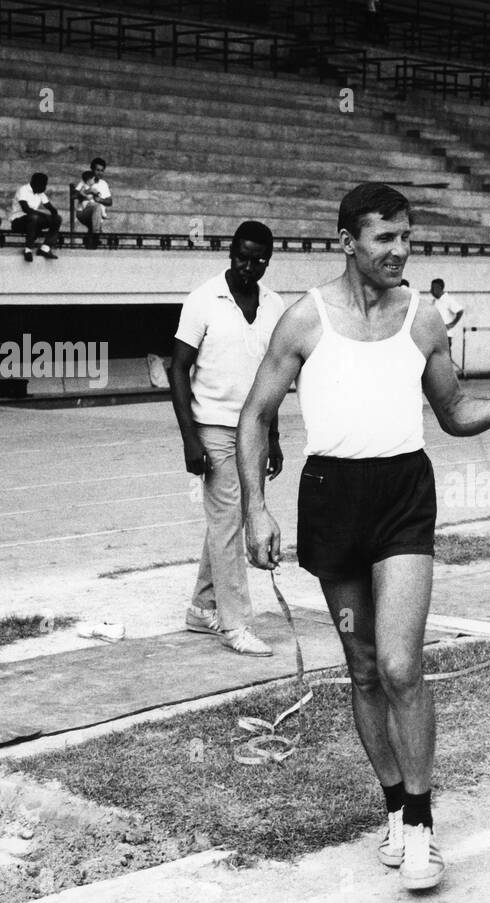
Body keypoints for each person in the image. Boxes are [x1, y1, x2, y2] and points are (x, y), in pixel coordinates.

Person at [237, 182, 490, 893]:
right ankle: (393, 807)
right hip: (331, 501)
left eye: (407, 237)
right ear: (346, 241)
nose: (400, 251)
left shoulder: (424, 317)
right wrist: (256, 508)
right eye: (385, 239)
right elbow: (254, 416)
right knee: (365, 665)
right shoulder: (304, 319)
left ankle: (422, 822)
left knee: (403, 663)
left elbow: (455, 411)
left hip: (404, 496)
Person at [171, 220, 287, 658]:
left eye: (258, 260)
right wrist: (189, 438)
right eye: (242, 256)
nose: (248, 266)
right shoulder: (203, 300)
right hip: (213, 428)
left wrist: (273, 437)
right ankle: (236, 624)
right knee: (228, 521)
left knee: (231, 518)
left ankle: (203, 608)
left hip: (253, 430)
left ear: (268, 261)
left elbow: (272, 378)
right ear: (230, 252)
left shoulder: (275, 306)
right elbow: (177, 369)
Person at [10, 172, 61, 261]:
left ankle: (45, 248)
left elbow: (50, 208)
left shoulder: (40, 192)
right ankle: (28, 250)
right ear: (34, 183)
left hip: (33, 221)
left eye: (45, 185)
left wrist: (54, 215)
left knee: (57, 219)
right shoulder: (23, 190)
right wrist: (44, 216)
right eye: (42, 185)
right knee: (33, 217)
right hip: (18, 222)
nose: (44, 188)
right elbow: (26, 209)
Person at [72, 157, 112, 249]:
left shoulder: (104, 184)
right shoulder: (85, 181)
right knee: (96, 207)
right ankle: (96, 237)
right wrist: (87, 191)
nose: (100, 173)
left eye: (102, 170)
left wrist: (101, 200)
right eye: (97, 170)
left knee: (97, 208)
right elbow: (73, 196)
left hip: (98, 216)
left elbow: (110, 202)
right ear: (92, 169)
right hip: (83, 212)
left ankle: (91, 238)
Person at [429, 277, 465, 359]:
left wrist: (451, 324)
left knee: (445, 358)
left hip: (445, 335)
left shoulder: (448, 299)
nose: (430, 291)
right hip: (435, 335)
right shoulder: (434, 301)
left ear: (438, 288)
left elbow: (460, 311)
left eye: (432, 288)